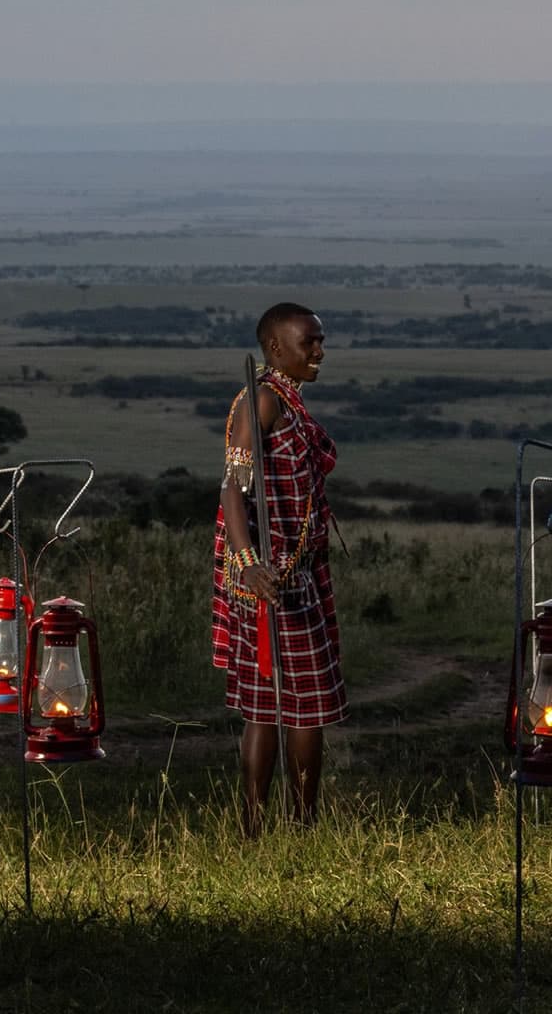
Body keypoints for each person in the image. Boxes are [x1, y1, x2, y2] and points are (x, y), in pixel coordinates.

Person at [211, 303, 344, 836]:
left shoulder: (285, 400)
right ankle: (288, 827)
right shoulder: (263, 400)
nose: (319, 352)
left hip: (293, 572)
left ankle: (267, 829)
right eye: (308, 342)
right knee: (300, 706)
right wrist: (248, 565)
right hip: (272, 577)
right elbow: (231, 488)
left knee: (269, 705)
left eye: (320, 341)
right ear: (275, 349)